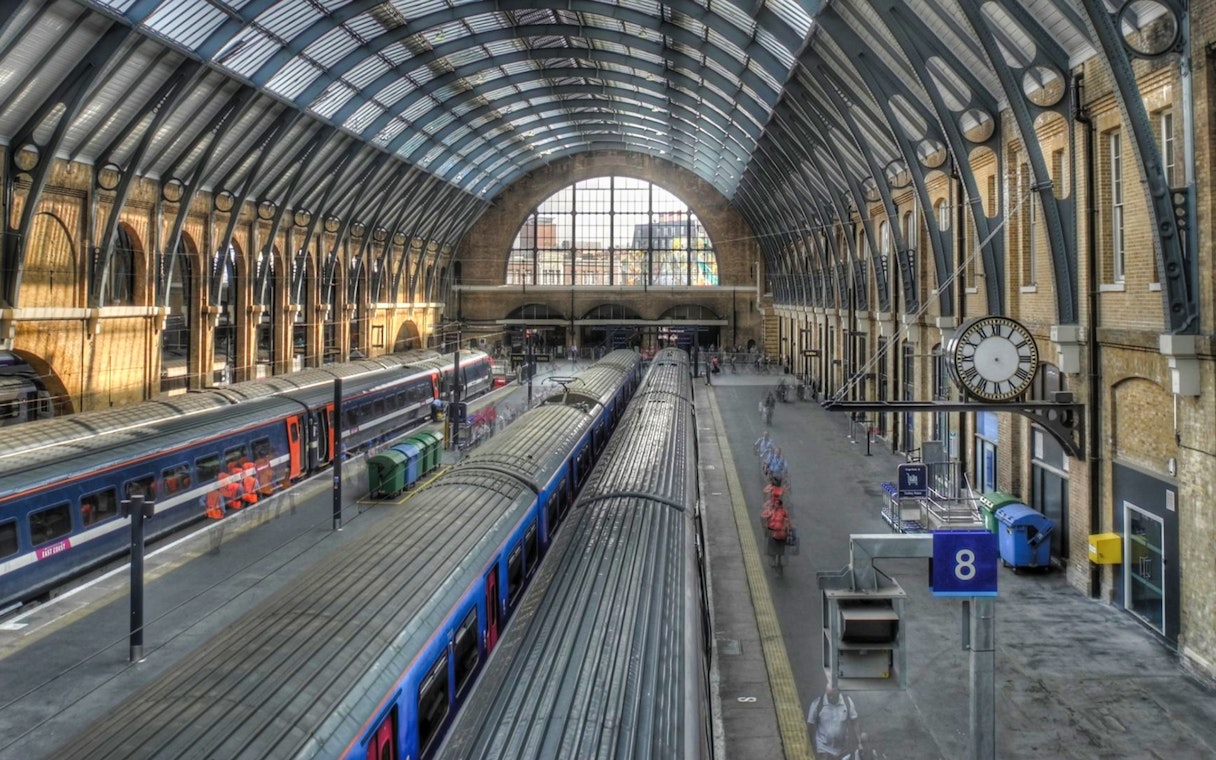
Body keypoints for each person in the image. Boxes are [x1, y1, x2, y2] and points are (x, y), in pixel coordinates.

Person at [807, 686, 860, 760]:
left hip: (843, 750)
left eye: (833, 695)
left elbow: (854, 721)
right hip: (823, 749)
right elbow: (810, 725)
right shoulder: (817, 704)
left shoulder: (847, 701)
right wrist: (810, 746)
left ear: (838, 692)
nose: (830, 698)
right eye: (829, 695)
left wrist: (859, 741)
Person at [764, 499, 791, 574]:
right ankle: (778, 560)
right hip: (782, 535)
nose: (775, 505)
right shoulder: (784, 512)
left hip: (776, 534)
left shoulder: (773, 512)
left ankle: (774, 559)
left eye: (776, 504)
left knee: (772, 545)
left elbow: (767, 521)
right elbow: (788, 523)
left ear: (779, 505)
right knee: (780, 549)